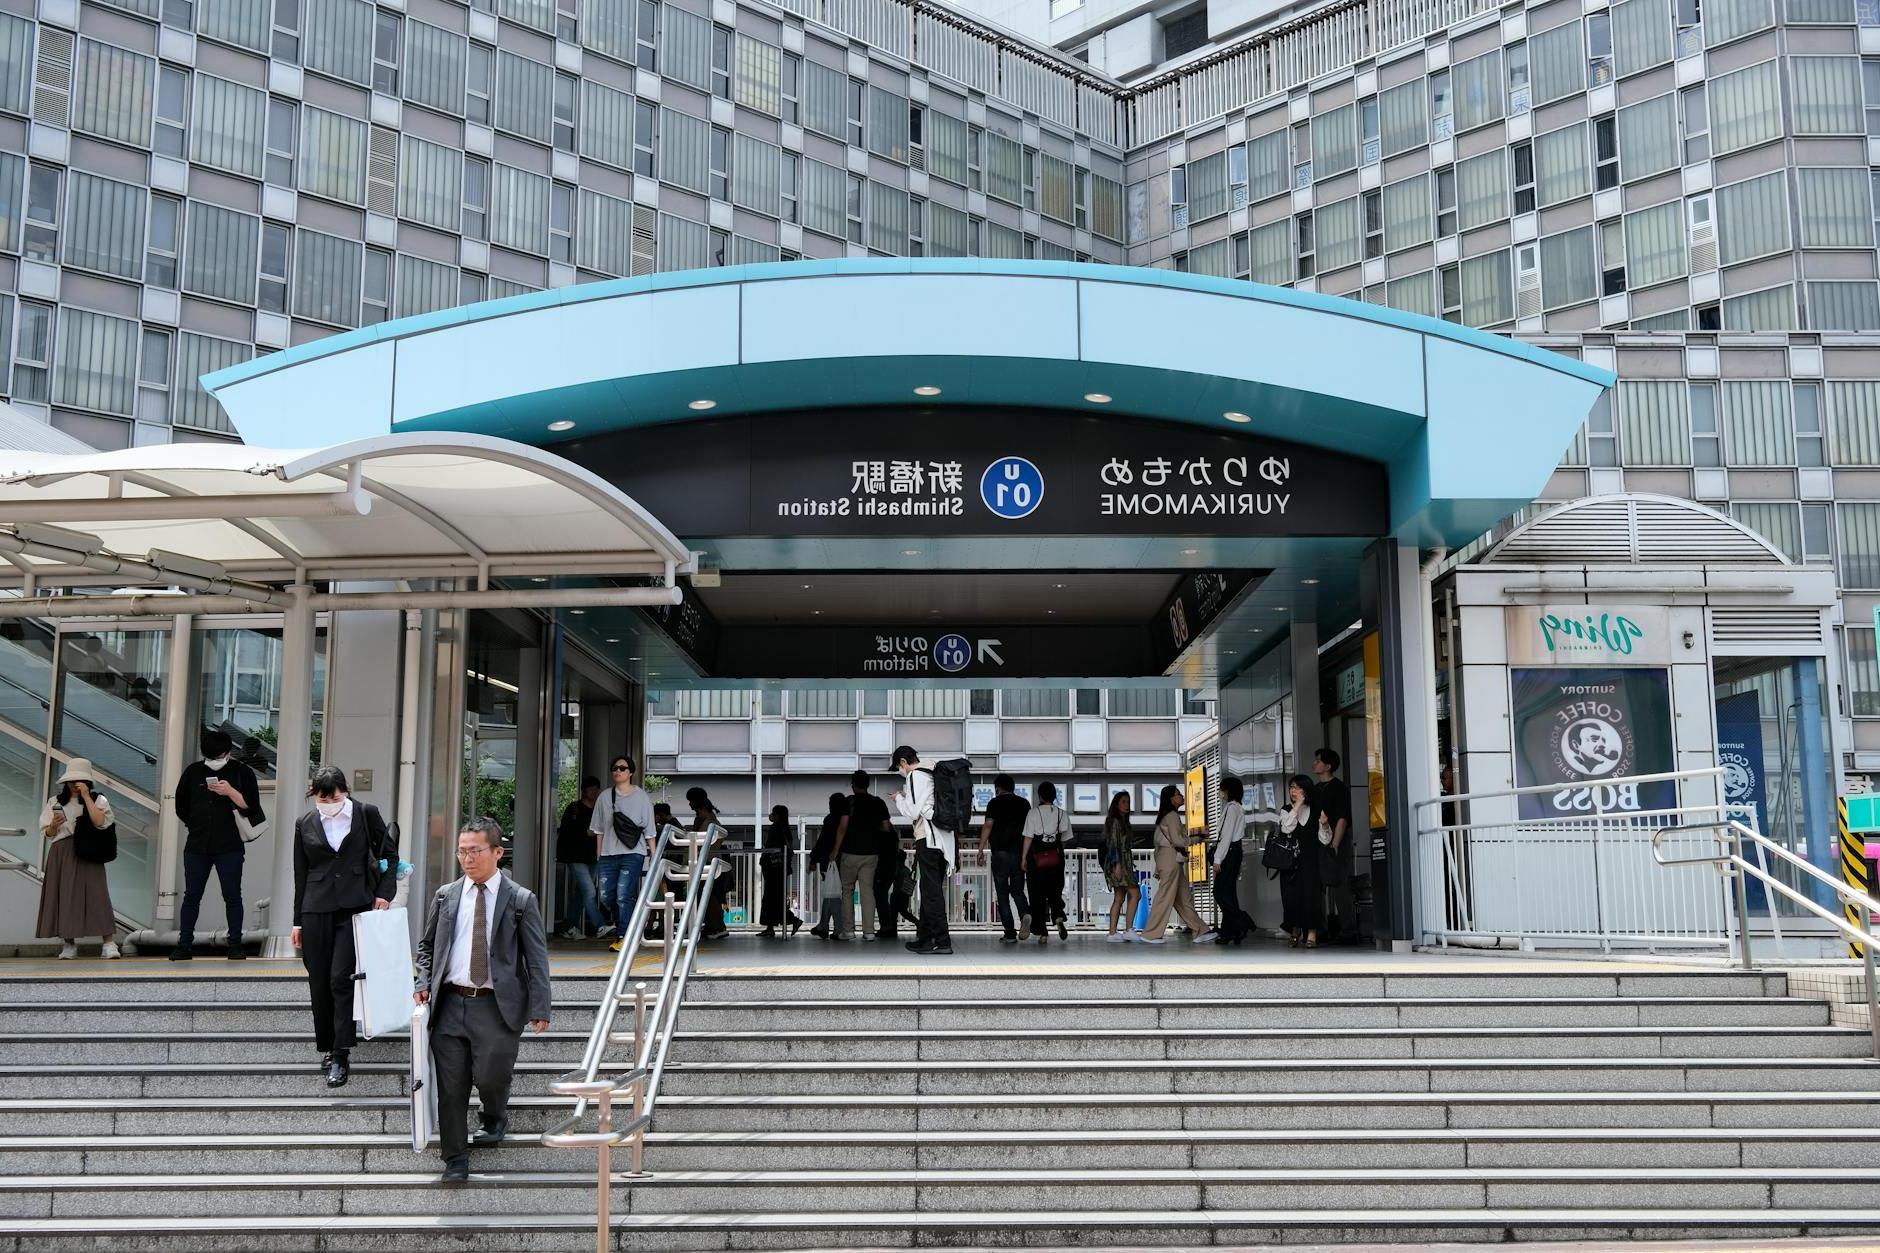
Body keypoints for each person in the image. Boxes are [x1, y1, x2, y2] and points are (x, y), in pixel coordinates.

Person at [414, 817, 551, 1184]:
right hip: (450, 1004)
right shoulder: (446, 895)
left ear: (497, 852)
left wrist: (541, 1006)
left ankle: (494, 1115)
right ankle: (455, 1159)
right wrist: (423, 979)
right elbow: (427, 946)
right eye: (462, 851)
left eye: (475, 851)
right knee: (451, 1085)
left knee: (492, 1076)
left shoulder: (520, 900)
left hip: (496, 1005)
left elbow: (536, 958)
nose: (467, 859)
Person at [292, 766, 396, 1088]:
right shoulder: (305, 823)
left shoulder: (366, 813)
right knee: (319, 980)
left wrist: (384, 894)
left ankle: (340, 1052)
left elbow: (390, 855)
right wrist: (296, 921)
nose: (330, 803)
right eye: (323, 799)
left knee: (340, 977)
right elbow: (301, 874)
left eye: (335, 797)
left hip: (355, 905)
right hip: (315, 908)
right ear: (314, 797)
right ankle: (327, 1046)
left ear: (345, 791)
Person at [171, 729, 265, 960]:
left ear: (227, 752)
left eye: (219, 755)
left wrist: (230, 791)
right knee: (192, 895)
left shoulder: (242, 772)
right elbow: (181, 806)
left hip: (230, 844)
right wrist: (195, 824)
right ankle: (184, 945)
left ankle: (235, 945)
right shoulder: (193, 772)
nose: (215, 760)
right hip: (197, 845)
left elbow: (251, 807)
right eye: (211, 756)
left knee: (232, 895)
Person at [36, 759, 119, 960]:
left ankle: (108, 943)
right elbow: (47, 833)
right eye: (71, 780)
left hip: (90, 849)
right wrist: (54, 825)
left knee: (97, 894)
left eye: (80, 780)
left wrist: (86, 797)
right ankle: (69, 943)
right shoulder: (54, 802)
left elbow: (101, 822)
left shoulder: (99, 800)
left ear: (88, 781)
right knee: (65, 896)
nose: (75, 784)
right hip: (62, 851)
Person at [891, 746, 954, 956]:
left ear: (903, 761)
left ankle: (942, 941)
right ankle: (926, 938)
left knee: (931, 893)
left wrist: (899, 798)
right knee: (929, 891)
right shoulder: (933, 770)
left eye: (899, 767)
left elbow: (913, 811)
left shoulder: (915, 775)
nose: (900, 771)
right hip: (942, 840)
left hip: (928, 839)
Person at [590, 756, 654, 952]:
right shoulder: (604, 797)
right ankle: (630, 923)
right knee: (606, 896)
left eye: (622, 768)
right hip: (608, 854)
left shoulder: (641, 796)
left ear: (631, 773)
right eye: (614, 768)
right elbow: (598, 830)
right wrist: (599, 856)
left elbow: (650, 829)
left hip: (633, 853)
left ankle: (624, 935)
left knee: (622, 895)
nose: (618, 771)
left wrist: (654, 854)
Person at [1140, 784, 1216, 945]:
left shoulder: (1165, 817)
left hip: (1166, 859)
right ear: (1171, 799)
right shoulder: (1172, 816)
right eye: (1178, 794)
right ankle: (1151, 933)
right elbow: (1178, 840)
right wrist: (1197, 839)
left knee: (1183, 899)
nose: (1181, 796)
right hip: (1171, 859)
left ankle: (1200, 930)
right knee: (1165, 896)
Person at [976, 774, 1032, 945]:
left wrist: (980, 849)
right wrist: (1025, 856)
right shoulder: (1024, 803)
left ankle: (1009, 933)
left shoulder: (994, 803)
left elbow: (988, 825)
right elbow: (1029, 831)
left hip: (1000, 853)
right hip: (1018, 853)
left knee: (1002, 894)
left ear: (998, 788)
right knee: (1017, 890)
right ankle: (1024, 914)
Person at [1313, 748, 1357, 944]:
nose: (1315, 763)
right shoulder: (1315, 789)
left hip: (1335, 841)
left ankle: (1348, 931)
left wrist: (1335, 844)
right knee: (1318, 887)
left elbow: (1342, 818)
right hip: (1318, 841)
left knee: (1340, 885)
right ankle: (1321, 930)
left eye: (1318, 761)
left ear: (1328, 766)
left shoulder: (1339, 788)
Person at [831, 772, 882, 941]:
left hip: (850, 852)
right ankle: (869, 932)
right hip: (871, 853)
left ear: (853, 785)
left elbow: (843, 826)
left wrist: (836, 850)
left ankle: (849, 931)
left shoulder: (848, 802)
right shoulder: (877, 802)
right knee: (867, 891)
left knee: (847, 891)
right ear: (867, 784)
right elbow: (887, 827)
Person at [554, 776, 604, 941]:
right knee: (589, 891)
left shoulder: (598, 809)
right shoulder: (574, 809)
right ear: (584, 790)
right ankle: (600, 925)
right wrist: (587, 832)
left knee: (582, 893)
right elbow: (567, 831)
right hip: (575, 856)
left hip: (592, 856)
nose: (594, 792)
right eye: (591, 789)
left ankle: (568, 926)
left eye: (596, 789)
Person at [1022, 780, 1071, 943]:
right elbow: (1064, 839)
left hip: (1036, 860)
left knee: (1037, 895)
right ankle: (1058, 918)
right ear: (1055, 796)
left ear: (1040, 796)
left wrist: (1023, 858)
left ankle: (1042, 932)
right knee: (1055, 892)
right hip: (1055, 859)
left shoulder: (1033, 813)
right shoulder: (1062, 813)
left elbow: (1028, 837)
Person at [1277, 773, 1322, 947]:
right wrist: (1297, 805)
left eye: (1298, 787)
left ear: (1306, 790)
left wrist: (1324, 825)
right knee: (1291, 898)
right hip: (1290, 862)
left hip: (1311, 860)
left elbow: (1324, 839)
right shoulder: (1286, 809)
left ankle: (1311, 933)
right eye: (1291, 787)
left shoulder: (1317, 809)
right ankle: (1294, 930)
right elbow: (1286, 828)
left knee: (1311, 897)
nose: (1293, 791)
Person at [1211, 776, 1254, 945]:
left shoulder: (1231, 808)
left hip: (1229, 853)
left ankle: (1243, 921)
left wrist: (1217, 859)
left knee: (1219, 891)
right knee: (1228, 892)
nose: (1220, 792)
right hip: (1234, 852)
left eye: (1222, 789)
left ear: (1228, 791)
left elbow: (1226, 836)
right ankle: (1231, 931)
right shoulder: (1237, 808)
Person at [689, 787, 733, 940]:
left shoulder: (707, 822)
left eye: (691, 801)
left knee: (709, 896)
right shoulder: (710, 819)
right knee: (709, 895)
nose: (689, 805)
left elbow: (699, 841)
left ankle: (718, 926)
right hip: (710, 862)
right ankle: (711, 925)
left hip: (707, 862)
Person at [1099, 791, 1140, 943]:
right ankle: (1128, 929)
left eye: (1128, 802)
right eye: (1123, 801)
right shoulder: (1116, 821)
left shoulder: (1120, 821)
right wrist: (1117, 865)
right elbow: (1114, 844)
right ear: (1116, 804)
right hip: (1120, 864)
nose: (1127, 805)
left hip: (1121, 863)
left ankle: (1112, 933)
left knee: (1119, 897)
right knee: (1135, 894)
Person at [758, 804, 802, 938]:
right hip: (779, 869)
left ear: (778, 815)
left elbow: (773, 847)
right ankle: (772, 926)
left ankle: (789, 921)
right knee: (775, 898)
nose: (771, 815)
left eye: (773, 813)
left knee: (772, 898)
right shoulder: (784, 829)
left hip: (774, 868)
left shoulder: (776, 828)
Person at [809, 793, 845, 939]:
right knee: (835, 894)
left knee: (831, 895)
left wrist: (813, 858)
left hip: (829, 861)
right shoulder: (847, 819)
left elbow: (823, 840)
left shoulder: (830, 819)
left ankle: (833, 927)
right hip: (845, 860)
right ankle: (824, 925)